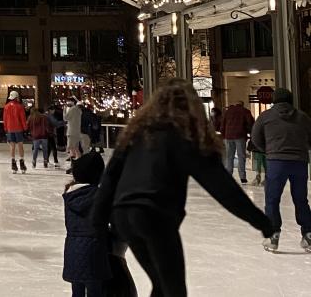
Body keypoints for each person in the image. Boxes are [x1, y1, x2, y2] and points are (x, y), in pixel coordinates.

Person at [92, 79, 273, 296]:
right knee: (173, 290)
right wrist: (260, 220)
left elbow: (110, 179)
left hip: (123, 216)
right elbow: (222, 187)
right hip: (154, 215)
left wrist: (96, 224)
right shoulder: (184, 136)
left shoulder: (136, 134)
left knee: (162, 285)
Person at [250, 87, 311, 253]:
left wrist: (268, 150)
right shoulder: (303, 117)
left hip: (276, 162)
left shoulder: (265, 117)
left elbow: (255, 137)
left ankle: (273, 235)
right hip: (299, 163)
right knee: (300, 199)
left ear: (274, 101)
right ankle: (308, 234)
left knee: (272, 199)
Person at [63, 152, 110, 297]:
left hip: (72, 249)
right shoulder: (100, 195)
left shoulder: (70, 194)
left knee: (76, 291)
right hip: (94, 250)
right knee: (95, 291)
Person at [220, 100, 254, 184]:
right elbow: (250, 123)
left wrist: (223, 135)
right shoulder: (245, 111)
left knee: (229, 157)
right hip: (240, 136)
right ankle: (242, 177)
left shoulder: (227, 112)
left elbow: (222, 124)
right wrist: (250, 132)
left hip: (228, 136)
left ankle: (228, 175)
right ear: (242, 105)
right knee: (241, 156)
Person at [3, 89, 27, 173]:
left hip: (10, 129)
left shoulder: (6, 106)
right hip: (18, 128)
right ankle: (22, 162)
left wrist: (5, 128)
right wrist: (25, 128)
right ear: (16, 97)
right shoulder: (20, 106)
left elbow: (5, 119)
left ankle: (13, 163)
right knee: (20, 145)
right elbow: (22, 118)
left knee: (12, 146)